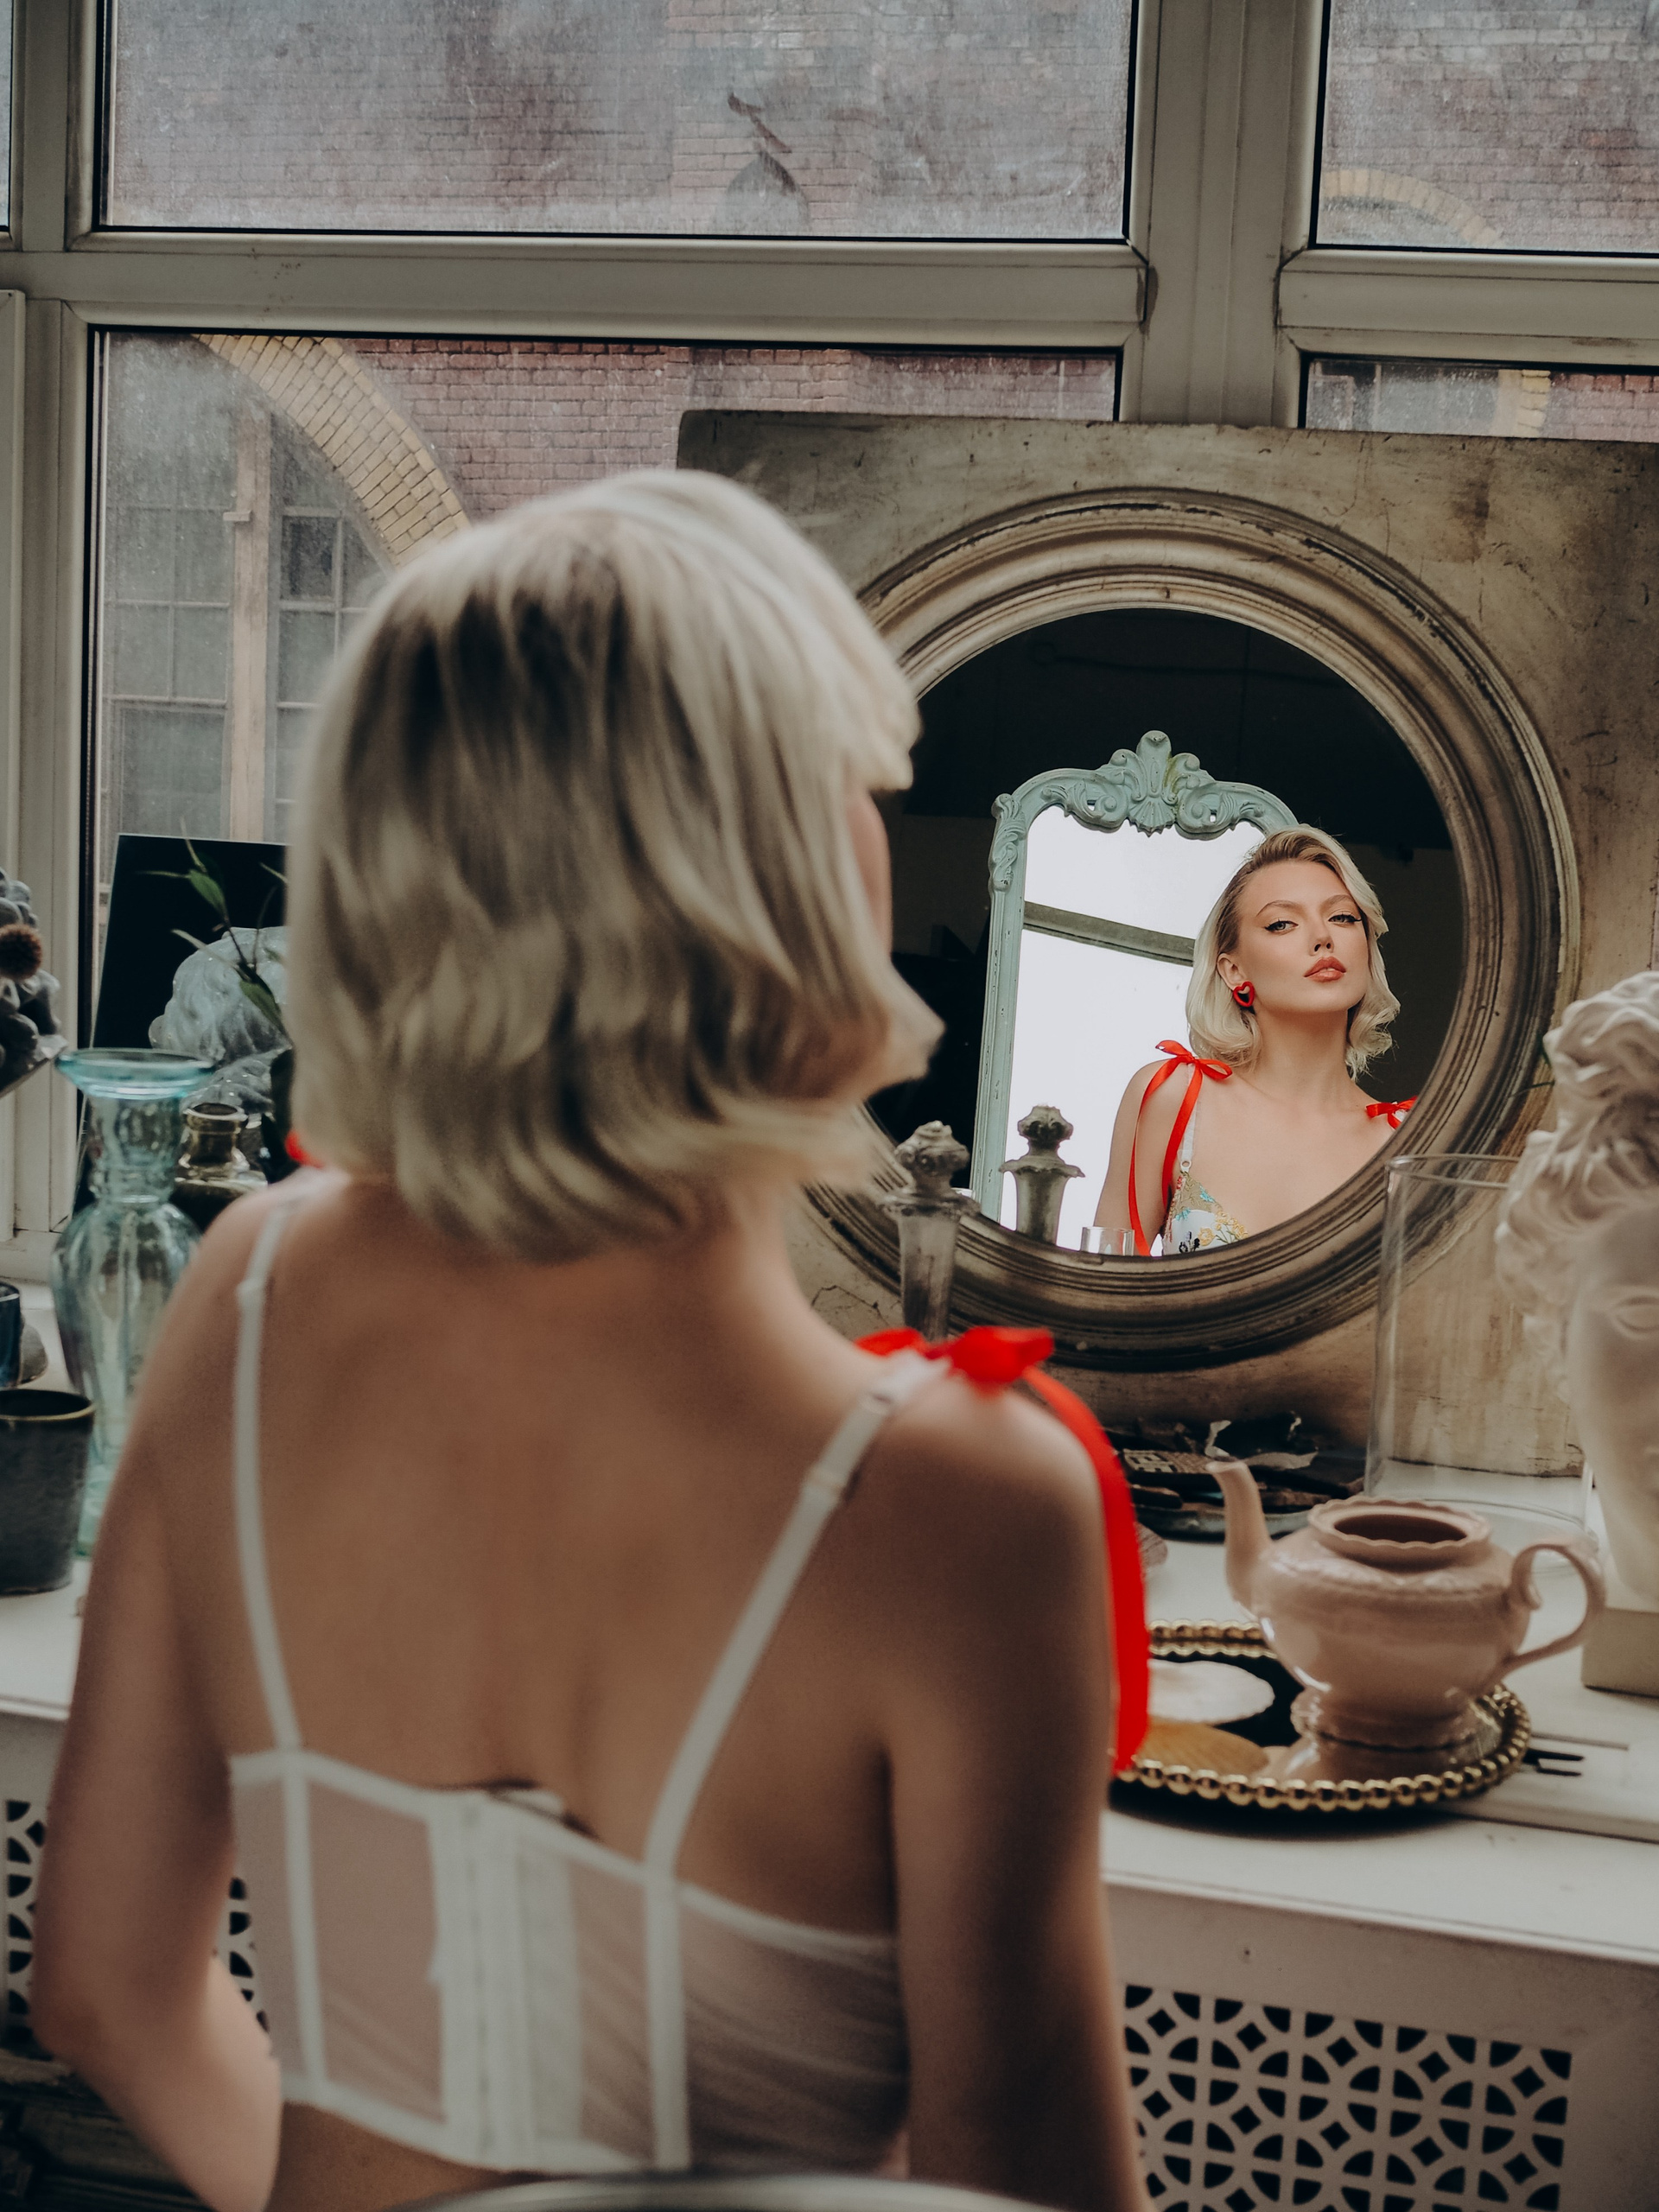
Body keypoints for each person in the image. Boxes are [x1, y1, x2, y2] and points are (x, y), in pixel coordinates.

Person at [32, 473, 1149, 2212]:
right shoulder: (962, 1499)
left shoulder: (245, 1295)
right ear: (783, 883)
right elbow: (1020, 2188)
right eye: (861, 787)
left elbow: (107, 1986)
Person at [1094, 826, 1412, 1254]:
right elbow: (1105, 1280)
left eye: (1342, 917)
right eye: (1282, 924)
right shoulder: (1174, 1097)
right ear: (1233, 971)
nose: (1323, 937)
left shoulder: (1405, 1141)